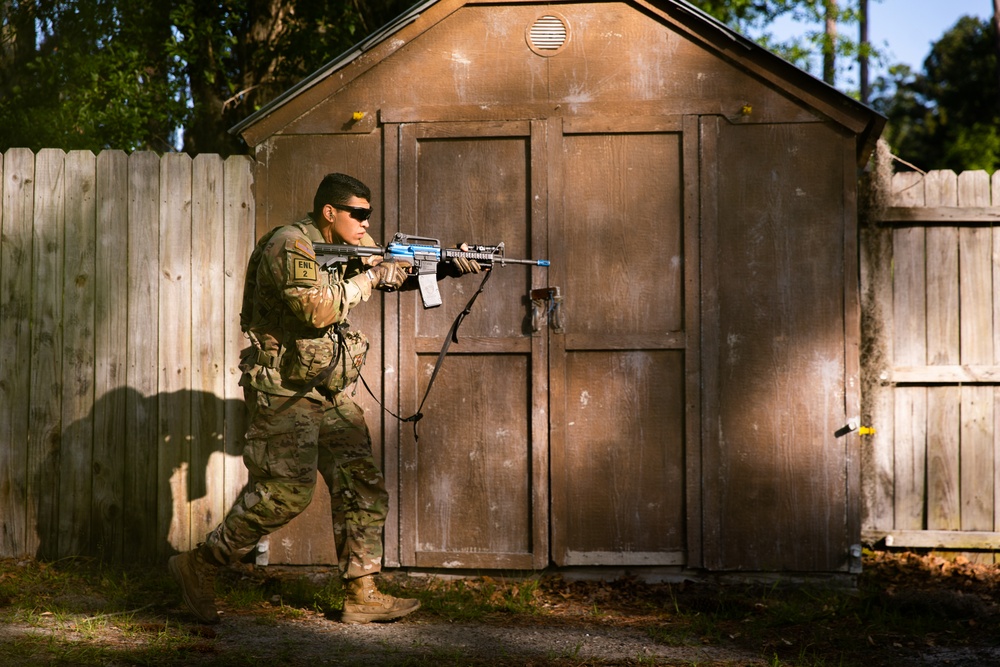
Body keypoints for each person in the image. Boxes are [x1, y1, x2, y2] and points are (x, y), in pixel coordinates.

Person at [169, 172, 480, 625]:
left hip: (327, 389)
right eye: (357, 214)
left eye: (368, 215)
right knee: (286, 493)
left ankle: (362, 592)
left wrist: (446, 265)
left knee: (361, 482)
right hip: (283, 391)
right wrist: (372, 276)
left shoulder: (348, 245)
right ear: (329, 212)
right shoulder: (289, 245)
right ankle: (198, 565)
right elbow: (317, 309)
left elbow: (391, 275)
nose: (365, 223)